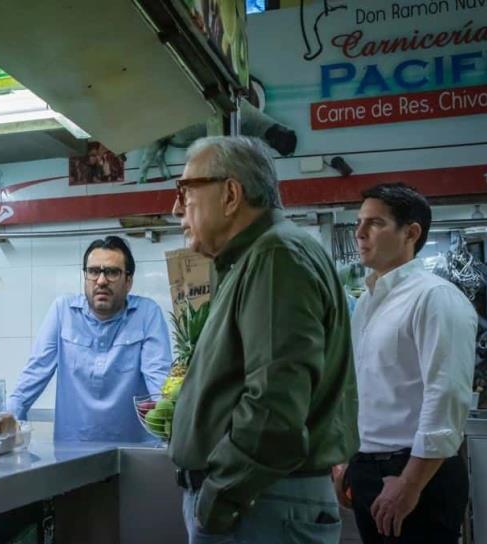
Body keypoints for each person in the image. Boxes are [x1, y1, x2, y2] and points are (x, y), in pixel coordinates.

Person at [169, 136, 358, 543]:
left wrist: (218, 498)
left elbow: (274, 404)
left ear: (231, 194)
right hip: (260, 502)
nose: (176, 208)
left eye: (185, 192)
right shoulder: (258, 256)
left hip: (261, 505)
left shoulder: (276, 257)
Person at [338, 183, 476, 543]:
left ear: (410, 233)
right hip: (368, 466)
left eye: (375, 223)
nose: (360, 232)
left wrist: (410, 482)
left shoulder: (434, 297)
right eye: (358, 223)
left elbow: (445, 394)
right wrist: (347, 464)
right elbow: (360, 389)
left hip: (416, 473)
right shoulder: (368, 303)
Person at [6, 236, 172, 442]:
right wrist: (7, 422)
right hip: (72, 453)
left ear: (128, 281)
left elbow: (159, 380)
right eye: (93, 271)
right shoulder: (63, 311)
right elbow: (35, 373)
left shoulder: (147, 313)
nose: (101, 281)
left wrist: (170, 424)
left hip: (133, 454)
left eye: (112, 272)